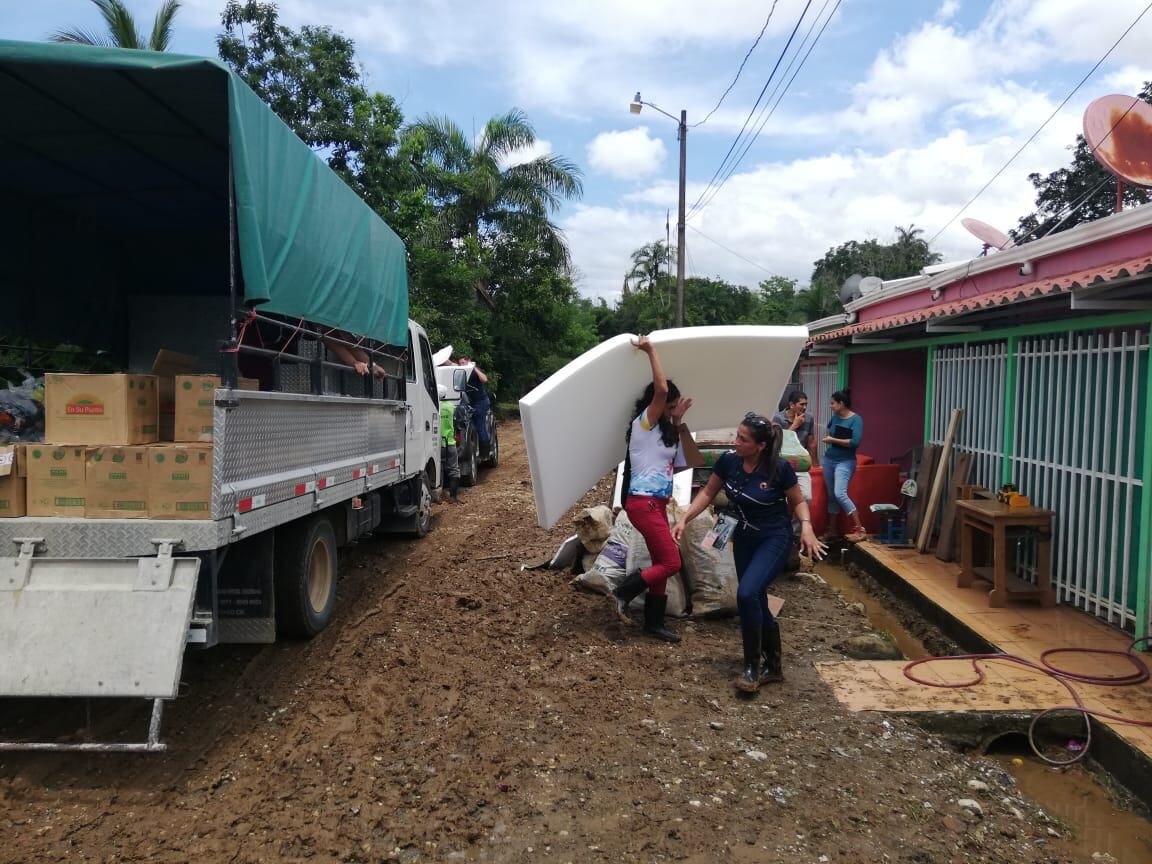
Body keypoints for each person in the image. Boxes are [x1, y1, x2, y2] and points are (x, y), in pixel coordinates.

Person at [671, 414, 826, 692]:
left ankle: (752, 667)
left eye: (743, 439)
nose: (736, 442)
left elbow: (798, 501)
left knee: (746, 594)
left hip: (774, 538)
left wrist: (806, 526)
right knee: (754, 598)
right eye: (737, 436)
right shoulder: (729, 461)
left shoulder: (779, 469)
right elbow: (708, 492)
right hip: (743, 537)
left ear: (760, 445)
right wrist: (685, 518)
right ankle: (774, 665)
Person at [611, 336, 704, 642]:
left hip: (657, 505)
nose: (672, 408)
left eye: (674, 406)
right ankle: (623, 592)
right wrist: (651, 350)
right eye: (671, 405)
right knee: (671, 563)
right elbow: (662, 389)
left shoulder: (667, 433)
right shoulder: (644, 424)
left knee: (660, 564)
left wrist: (680, 422)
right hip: (642, 504)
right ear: (659, 404)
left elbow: (688, 461)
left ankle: (653, 623)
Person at [822, 388, 866, 542]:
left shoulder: (856, 419)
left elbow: (855, 442)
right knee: (832, 496)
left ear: (842, 403)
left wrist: (832, 440)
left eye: (833, 403)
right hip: (829, 460)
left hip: (845, 462)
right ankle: (833, 530)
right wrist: (831, 439)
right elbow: (830, 431)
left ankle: (860, 529)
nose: (831, 406)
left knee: (840, 493)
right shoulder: (835, 418)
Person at [772, 390, 818, 538]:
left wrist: (815, 464)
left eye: (806, 404)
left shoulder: (809, 418)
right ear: (791, 405)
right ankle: (782, 532)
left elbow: (811, 442)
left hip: (801, 465)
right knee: (783, 500)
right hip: (781, 465)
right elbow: (777, 443)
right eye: (801, 404)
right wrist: (795, 426)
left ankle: (795, 534)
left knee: (806, 497)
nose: (804, 407)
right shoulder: (777, 418)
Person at [457, 355, 492, 458]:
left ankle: (484, 454)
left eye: (463, 363)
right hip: (469, 403)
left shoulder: (474, 371)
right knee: (469, 426)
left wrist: (474, 368)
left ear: (469, 361)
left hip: (480, 401)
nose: (461, 365)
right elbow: (451, 365)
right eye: (460, 364)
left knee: (480, 426)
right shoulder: (461, 371)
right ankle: (473, 448)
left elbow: (484, 379)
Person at [437, 384, 462, 504]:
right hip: (450, 443)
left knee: (439, 468)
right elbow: (458, 423)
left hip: (436, 445)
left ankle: (439, 495)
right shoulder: (451, 407)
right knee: (454, 469)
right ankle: (453, 497)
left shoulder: (433, 406)